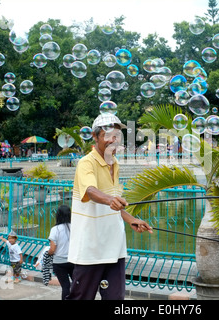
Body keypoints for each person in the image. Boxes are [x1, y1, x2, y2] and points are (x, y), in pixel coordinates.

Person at [67, 114, 153, 300]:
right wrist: (109, 200)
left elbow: (114, 202)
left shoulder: (116, 163)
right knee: (81, 297)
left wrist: (131, 219)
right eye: (108, 136)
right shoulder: (86, 163)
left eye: (117, 136)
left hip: (115, 246)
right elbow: (90, 190)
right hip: (91, 248)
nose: (113, 141)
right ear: (95, 136)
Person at [47, 204, 74, 300]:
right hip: (73, 261)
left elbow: (53, 249)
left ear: (58, 215)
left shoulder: (55, 229)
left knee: (65, 286)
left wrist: (48, 253)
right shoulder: (75, 228)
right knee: (76, 285)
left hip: (59, 263)